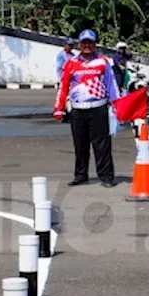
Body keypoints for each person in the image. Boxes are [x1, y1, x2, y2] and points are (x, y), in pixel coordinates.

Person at [54, 29, 119, 187]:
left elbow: (112, 85)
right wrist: (59, 107)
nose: (87, 46)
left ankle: (106, 176)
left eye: (90, 43)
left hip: (99, 108)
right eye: (84, 43)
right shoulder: (71, 63)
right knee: (80, 144)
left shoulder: (103, 62)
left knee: (102, 144)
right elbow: (63, 87)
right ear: (79, 45)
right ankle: (81, 175)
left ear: (95, 44)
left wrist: (117, 105)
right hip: (78, 110)